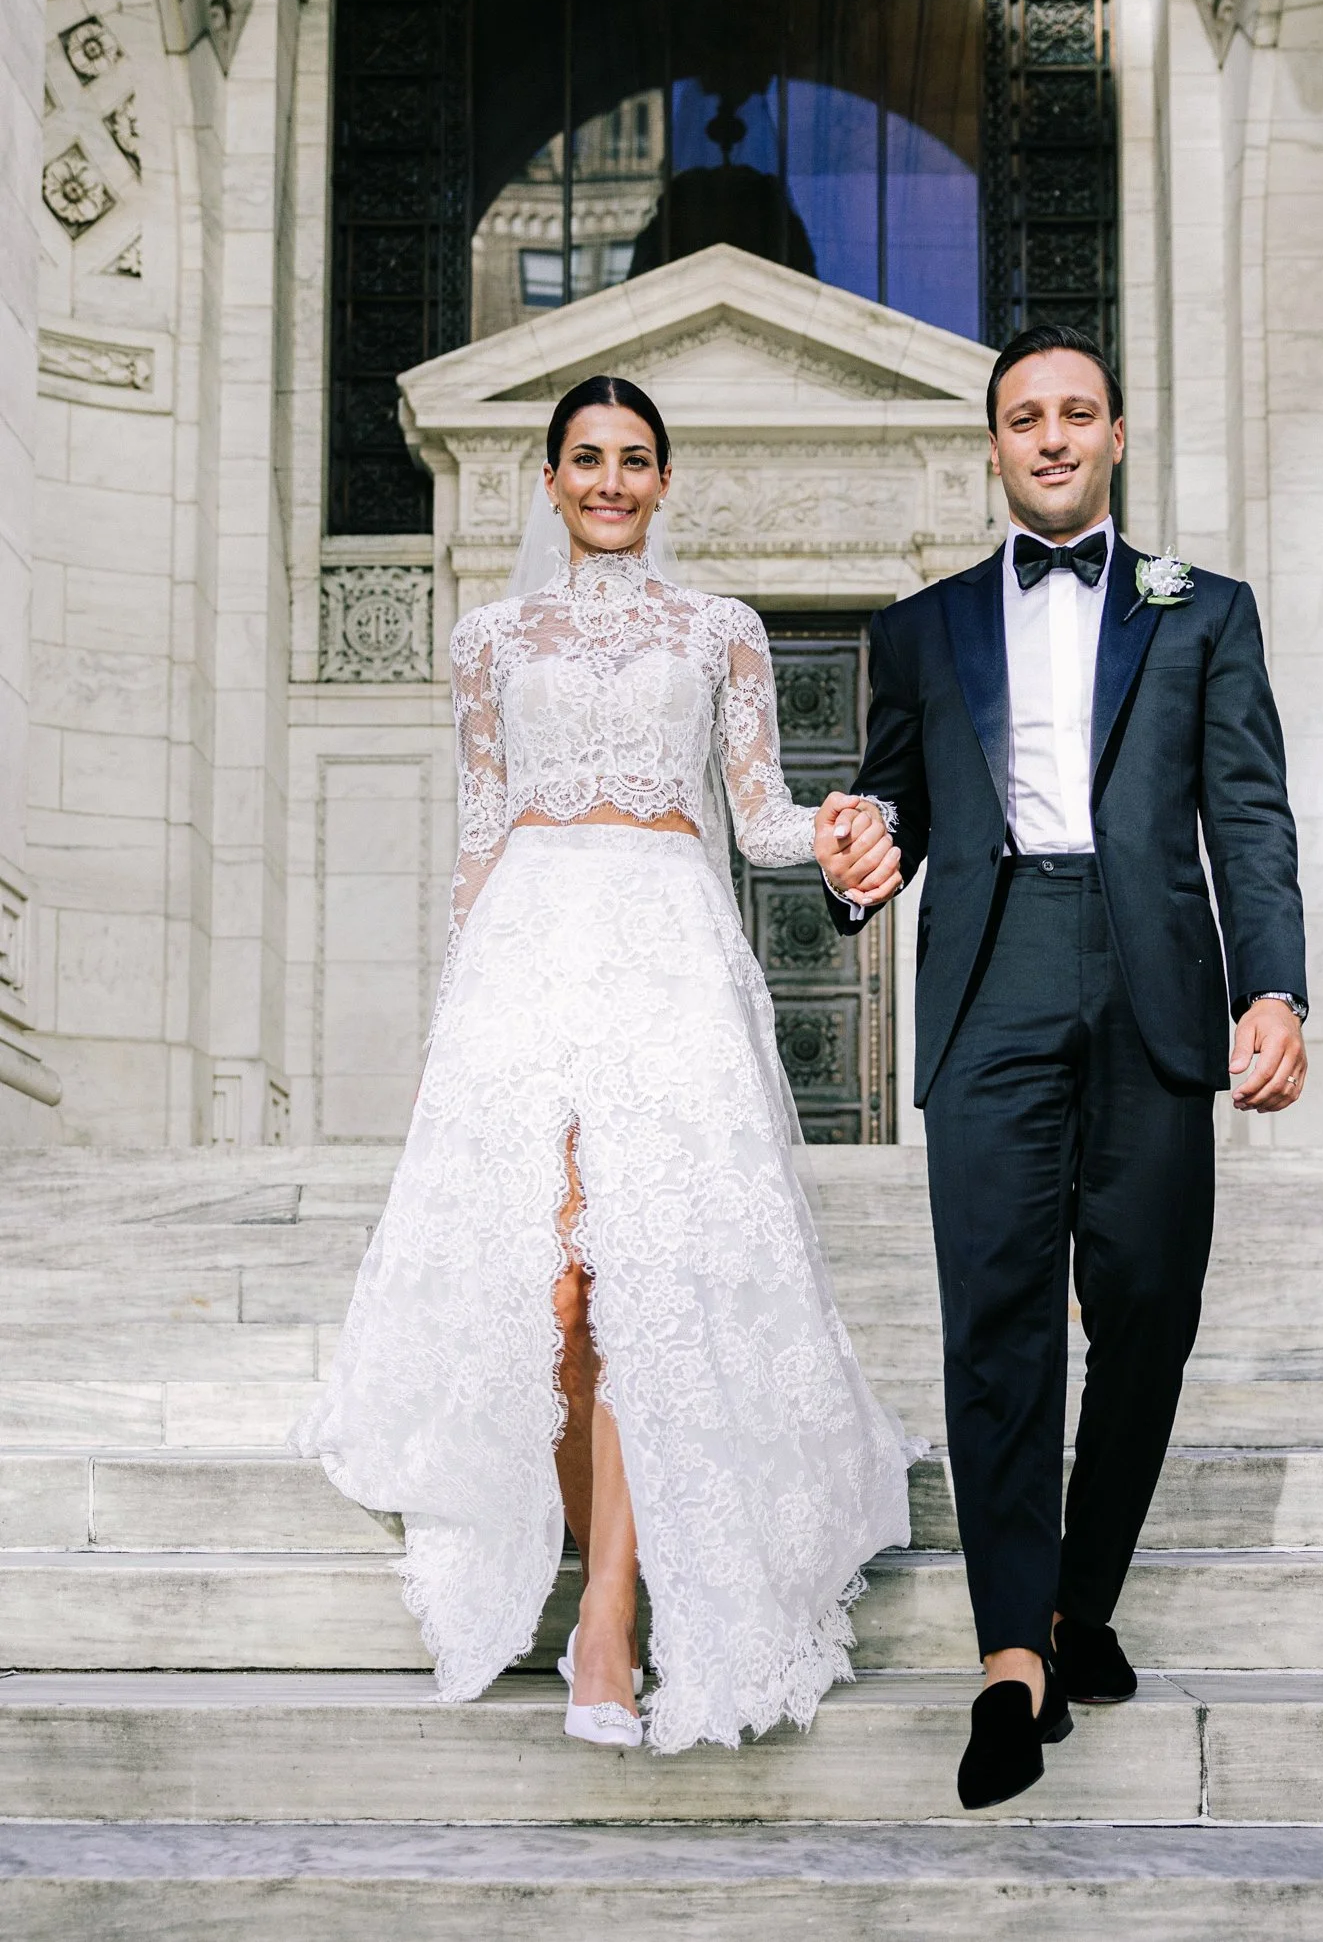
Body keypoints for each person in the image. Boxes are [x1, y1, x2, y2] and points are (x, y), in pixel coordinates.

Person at [297, 374, 909, 1753]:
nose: (613, 481)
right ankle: (594, 1567)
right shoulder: (487, 639)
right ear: (552, 478)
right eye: (588, 459)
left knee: (644, 1269)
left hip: (668, 951)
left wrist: (835, 827)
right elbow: (477, 836)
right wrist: (458, 1019)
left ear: (665, 481)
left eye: (637, 460)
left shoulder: (722, 632)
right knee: (556, 1287)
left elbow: (753, 818)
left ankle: (611, 1615)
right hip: (527, 954)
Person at [822, 322, 1307, 1810]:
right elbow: (886, 811)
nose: (1048, 435)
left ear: (1113, 438)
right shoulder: (919, 629)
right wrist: (853, 862)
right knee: (1000, 1318)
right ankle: (1008, 1666)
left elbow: (1248, 810)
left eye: (1074, 412)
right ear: (990, 446)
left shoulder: (1201, 610)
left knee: (1149, 1310)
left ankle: (1073, 1595)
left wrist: (1274, 983)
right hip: (991, 974)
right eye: (1022, 416)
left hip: (1156, 975)